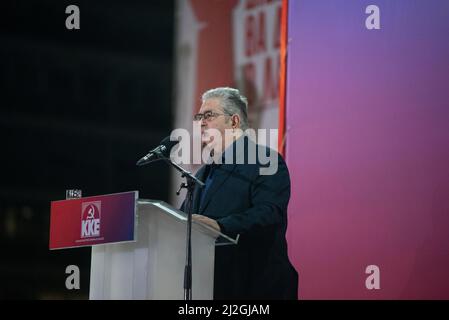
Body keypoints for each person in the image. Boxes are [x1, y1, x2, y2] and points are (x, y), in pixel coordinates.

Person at [181, 87, 298, 300]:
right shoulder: (201, 174)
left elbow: (269, 213)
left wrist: (221, 226)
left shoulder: (264, 160)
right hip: (211, 289)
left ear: (234, 122)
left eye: (209, 115)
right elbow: (182, 223)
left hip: (257, 286)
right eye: (199, 117)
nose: (201, 122)